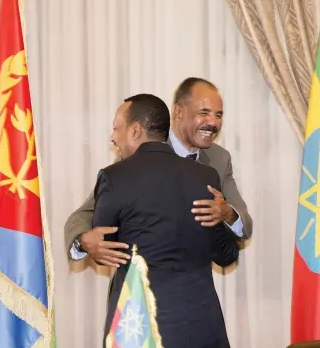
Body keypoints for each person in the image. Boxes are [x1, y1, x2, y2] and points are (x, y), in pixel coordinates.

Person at [93, 94, 238, 347]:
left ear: (135, 130)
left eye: (117, 128)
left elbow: (105, 247)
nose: (113, 137)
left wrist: (88, 243)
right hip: (199, 325)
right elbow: (226, 255)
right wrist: (224, 217)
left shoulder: (114, 177)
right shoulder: (205, 176)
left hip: (139, 326)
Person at [64, 77, 252, 266]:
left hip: (191, 286)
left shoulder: (220, 159)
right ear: (178, 112)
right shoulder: (138, 149)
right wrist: (83, 241)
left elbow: (245, 224)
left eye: (218, 115)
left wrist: (228, 213)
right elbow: (86, 213)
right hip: (137, 284)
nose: (212, 123)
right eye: (204, 113)